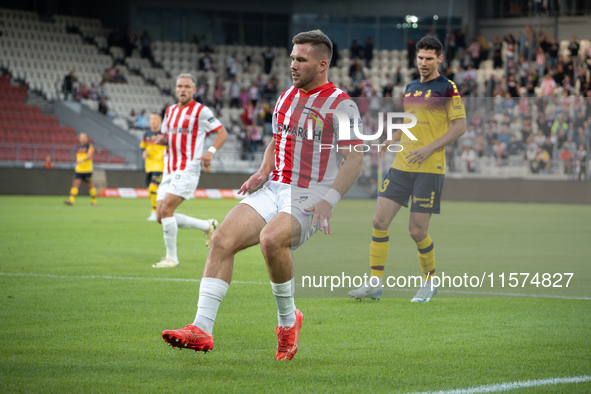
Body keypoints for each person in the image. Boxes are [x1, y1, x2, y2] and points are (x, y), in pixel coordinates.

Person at [160, 30, 363, 360]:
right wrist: (263, 170)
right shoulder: (286, 97)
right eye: (292, 58)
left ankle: (287, 323)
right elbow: (276, 139)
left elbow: (355, 159)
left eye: (301, 59)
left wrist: (330, 200)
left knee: (271, 240)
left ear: (322, 64)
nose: (292, 65)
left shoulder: (342, 105)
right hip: (274, 187)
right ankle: (201, 328)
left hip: (310, 193)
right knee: (222, 239)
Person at [348, 36, 466, 302]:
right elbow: (413, 123)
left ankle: (430, 281)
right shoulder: (411, 87)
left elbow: (460, 127)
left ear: (439, 59)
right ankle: (375, 283)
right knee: (379, 221)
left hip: (430, 167)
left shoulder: (447, 88)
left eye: (428, 58)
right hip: (402, 164)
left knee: (417, 231)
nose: (423, 63)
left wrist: (429, 148)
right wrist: (393, 136)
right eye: (420, 58)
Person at [151, 74, 228, 268]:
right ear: (175, 89)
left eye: (187, 86)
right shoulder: (169, 111)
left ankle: (172, 258)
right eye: (179, 86)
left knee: (167, 209)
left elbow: (222, 132)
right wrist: (163, 141)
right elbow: (169, 138)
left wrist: (210, 152)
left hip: (188, 168)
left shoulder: (201, 111)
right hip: (169, 168)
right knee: (161, 216)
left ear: (194, 90)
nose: (182, 89)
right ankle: (206, 225)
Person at [140, 113, 165, 221]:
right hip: (149, 166)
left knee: (153, 188)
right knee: (152, 190)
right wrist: (144, 152)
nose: (152, 121)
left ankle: (155, 212)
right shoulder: (146, 134)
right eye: (151, 119)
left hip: (160, 165)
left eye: (155, 119)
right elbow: (142, 147)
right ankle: (161, 209)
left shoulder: (164, 133)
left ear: (160, 121)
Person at [64, 133, 97, 206]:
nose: (82, 139)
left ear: (86, 138)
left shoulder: (89, 147)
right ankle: (71, 200)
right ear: (79, 138)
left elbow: (90, 156)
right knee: (75, 184)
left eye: (84, 138)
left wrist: (82, 160)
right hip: (79, 170)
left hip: (87, 170)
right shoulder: (78, 147)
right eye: (81, 138)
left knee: (90, 186)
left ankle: (94, 201)